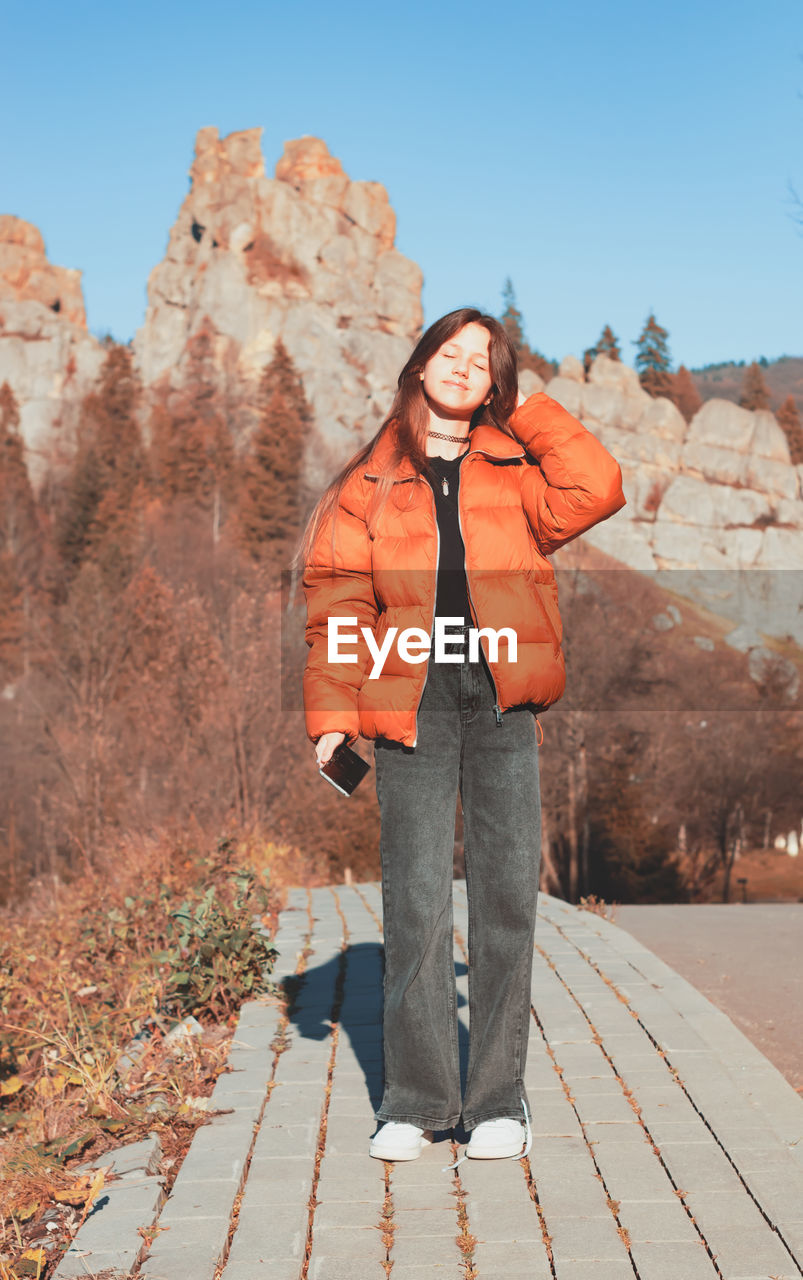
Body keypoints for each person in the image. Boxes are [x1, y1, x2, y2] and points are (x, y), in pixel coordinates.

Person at [297, 307, 626, 1163]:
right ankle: (414, 1101)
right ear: (418, 366)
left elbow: (597, 486)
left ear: (495, 383)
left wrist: (525, 412)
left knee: (507, 897)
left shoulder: (515, 466)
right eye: (451, 352)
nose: (463, 366)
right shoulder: (365, 484)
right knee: (412, 898)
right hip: (410, 692)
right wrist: (332, 719)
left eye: (482, 360)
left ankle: (495, 1103)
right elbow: (336, 606)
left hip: (500, 692)